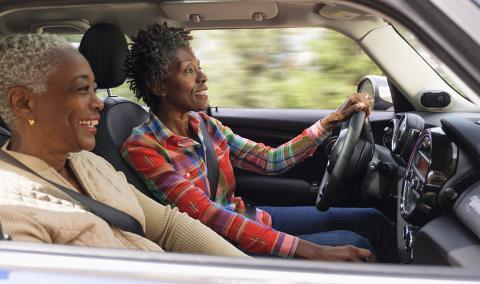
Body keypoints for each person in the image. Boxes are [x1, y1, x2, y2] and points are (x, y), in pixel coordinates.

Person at [122, 23, 396, 262]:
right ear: (159, 86)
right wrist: (313, 251)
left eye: (200, 69)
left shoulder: (204, 125)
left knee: (373, 220)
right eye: (189, 71)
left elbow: (269, 160)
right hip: (223, 246)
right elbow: (208, 216)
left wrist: (332, 121)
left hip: (248, 218)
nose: (203, 77)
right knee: (355, 245)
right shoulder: (144, 148)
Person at [0, 33, 246, 257]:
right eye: (81, 89)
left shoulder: (90, 163)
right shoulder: (12, 209)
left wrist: (247, 269)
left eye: (94, 90)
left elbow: (169, 226)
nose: (98, 103)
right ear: (23, 103)